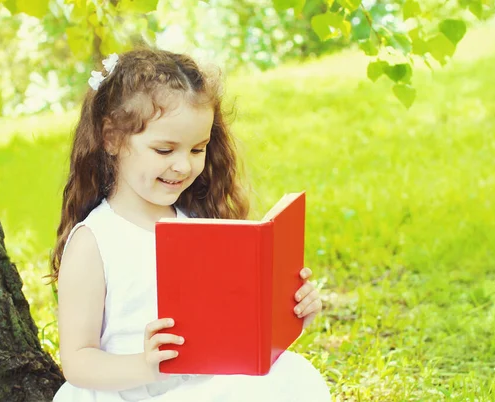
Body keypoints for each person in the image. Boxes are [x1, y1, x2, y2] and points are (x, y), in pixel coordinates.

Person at [50, 46, 331, 402]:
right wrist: (148, 365)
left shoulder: (199, 223)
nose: (183, 166)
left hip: (202, 385)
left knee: (291, 376)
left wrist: (289, 315)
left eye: (197, 150)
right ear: (111, 138)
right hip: (132, 391)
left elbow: (229, 325)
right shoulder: (95, 241)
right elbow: (77, 361)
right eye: (165, 151)